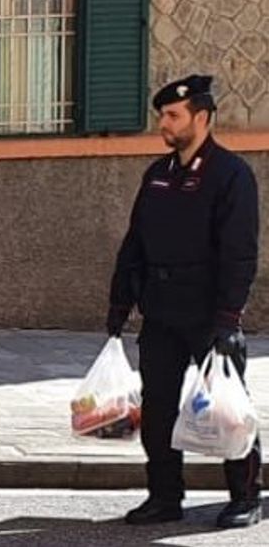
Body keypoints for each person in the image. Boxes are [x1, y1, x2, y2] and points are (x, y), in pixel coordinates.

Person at [107, 73, 262, 529]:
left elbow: (240, 253)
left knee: (229, 410)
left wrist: (228, 319)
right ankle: (164, 497)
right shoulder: (158, 175)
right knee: (157, 410)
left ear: (202, 117)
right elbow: (134, 242)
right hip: (161, 312)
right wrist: (119, 306)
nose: (164, 123)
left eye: (173, 115)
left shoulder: (231, 175)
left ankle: (246, 496)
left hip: (210, 315)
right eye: (162, 116)